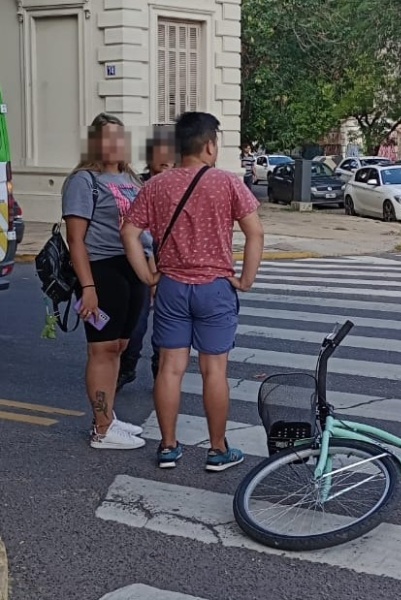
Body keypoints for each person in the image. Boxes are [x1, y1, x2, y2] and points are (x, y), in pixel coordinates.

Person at [122, 112, 264, 471]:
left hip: (171, 286)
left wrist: (148, 275)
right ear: (209, 146)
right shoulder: (228, 183)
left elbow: (129, 232)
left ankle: (168, 446)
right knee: (214, 371)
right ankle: (218, 450)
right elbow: (255, 233)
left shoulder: (156, 185)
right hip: (214, 288)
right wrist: (245, 280)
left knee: (170, 368)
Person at [61, 112, 148, 450]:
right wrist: (88, 288)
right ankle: (101, 429)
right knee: (102, 349)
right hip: (101, 270)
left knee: (120, 347)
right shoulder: (85, 181)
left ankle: (108, 417)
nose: (115, 144)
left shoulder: (131, 178)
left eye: (119, 137)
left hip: (131, 269)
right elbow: (76, 240)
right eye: (107, 138)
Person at [117, 128, 177, 391]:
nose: (165, 159)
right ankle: (126, 367)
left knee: (165, 328)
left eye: (170, 154)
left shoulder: (180, 187)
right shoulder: (135, 186)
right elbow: (134, 233)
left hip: (173, 266)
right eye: (159, 153)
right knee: (136, 323)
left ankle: (160, 371)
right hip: (141, 263)